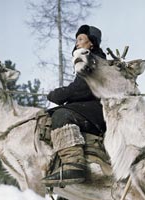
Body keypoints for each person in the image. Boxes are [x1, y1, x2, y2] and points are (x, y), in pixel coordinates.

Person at [42, 25, 106, 187]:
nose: (77, 43)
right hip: (89, 109)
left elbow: (82, 89)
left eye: (81, 39)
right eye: (76, 40)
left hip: (97, 109)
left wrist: (58, 94)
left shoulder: (95, 60)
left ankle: (73, 165)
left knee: (62, 115)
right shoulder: (89, 59)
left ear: (92, 43)